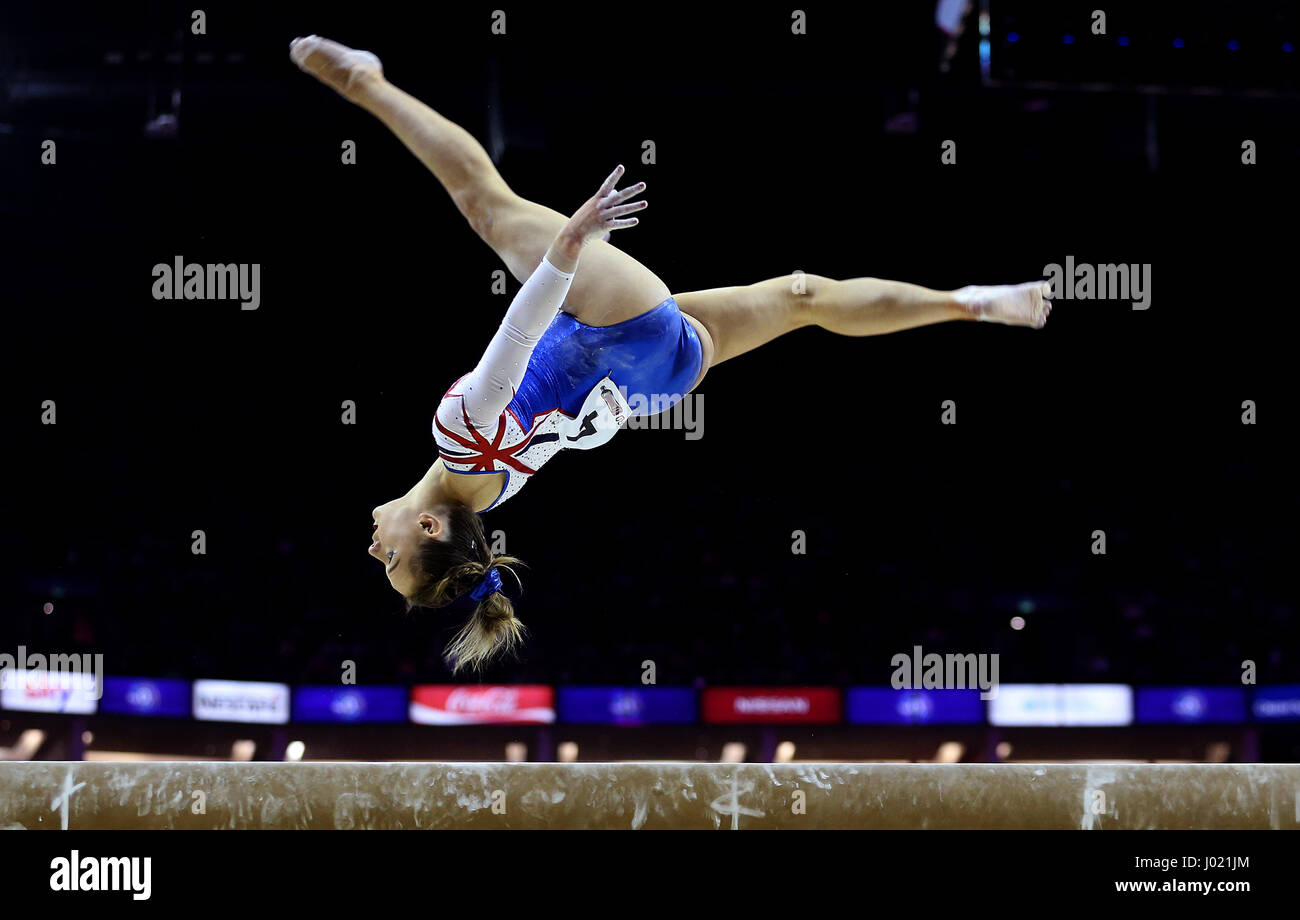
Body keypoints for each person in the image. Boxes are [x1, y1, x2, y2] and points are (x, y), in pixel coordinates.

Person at [290, 35, 1053, 671]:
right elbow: (519, 334)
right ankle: (367, 81)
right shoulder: (459, 440)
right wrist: (568, 246)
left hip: (654, 382)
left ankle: (971, 303)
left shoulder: (490, 499)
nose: (373, 551)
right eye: (389, 562)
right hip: (617, 334)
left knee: (804, 300)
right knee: (484, 205)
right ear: (427, 532)